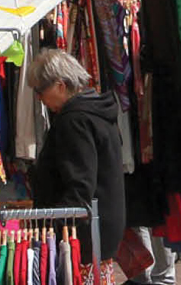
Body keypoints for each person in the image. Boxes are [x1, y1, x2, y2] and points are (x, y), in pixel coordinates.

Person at [26, 50, 126, 272]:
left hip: (80, 238)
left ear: (61, 86)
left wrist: (52, 227)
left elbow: (80, 187)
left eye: (40, 90)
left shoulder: (75, 120)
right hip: (99, 232)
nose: (39, 98)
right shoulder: (96, 112)